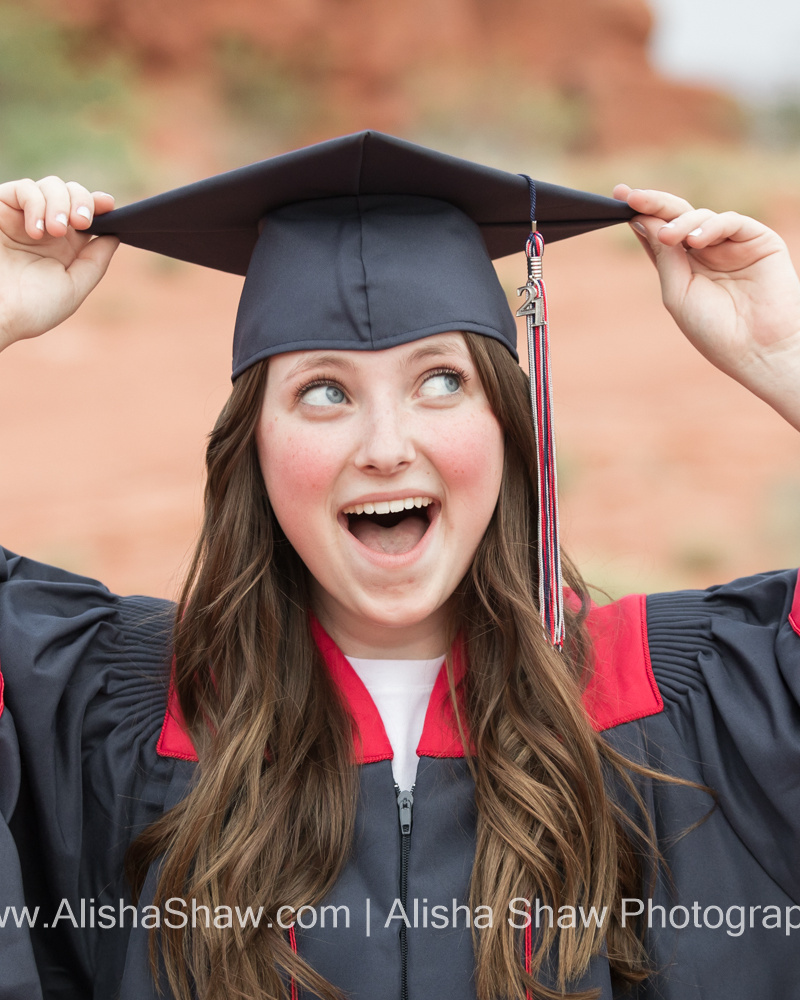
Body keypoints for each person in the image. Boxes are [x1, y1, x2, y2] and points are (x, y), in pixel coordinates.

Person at [1, 131, 799, 1000]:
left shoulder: (679, 692)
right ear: (253, 449)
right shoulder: (112, 704)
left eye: (442, 382)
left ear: (507, 423)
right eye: (324, 392)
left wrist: (784, 359)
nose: (386, 448)